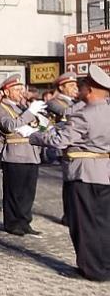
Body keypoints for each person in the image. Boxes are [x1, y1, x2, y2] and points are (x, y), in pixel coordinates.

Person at [29, 65, 110, 281]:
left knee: (83, 223)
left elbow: (59, 141)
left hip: (83, 174)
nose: (79, 90)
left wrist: (35, 137)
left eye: (82, 86)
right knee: (103, 222)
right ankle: (105, 264)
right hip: (104, 173)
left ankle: (91, 269)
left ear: (90, 90)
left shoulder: (84, 115)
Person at [0, 75, 45, 237]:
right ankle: (12, 222)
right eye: (16, 90)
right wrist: (30, 112)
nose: (20, 92)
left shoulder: (22, 107)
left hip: (31, 153)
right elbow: (10, 126)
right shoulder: (1, 107)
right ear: (7, 91)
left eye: (21, 89)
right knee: (14, 191)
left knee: (28, 192)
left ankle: (24, 221)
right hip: (15, 154)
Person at [46, 72, 82, 226]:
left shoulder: (74, 102)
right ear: (62, 87)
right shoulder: (55, 102)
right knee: (70, 181)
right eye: (71, 86)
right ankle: (69, 215)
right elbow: (66, 114)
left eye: (76, 85)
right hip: (64, 146)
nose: (75, 88)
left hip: (76, 145)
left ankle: (74, 213)